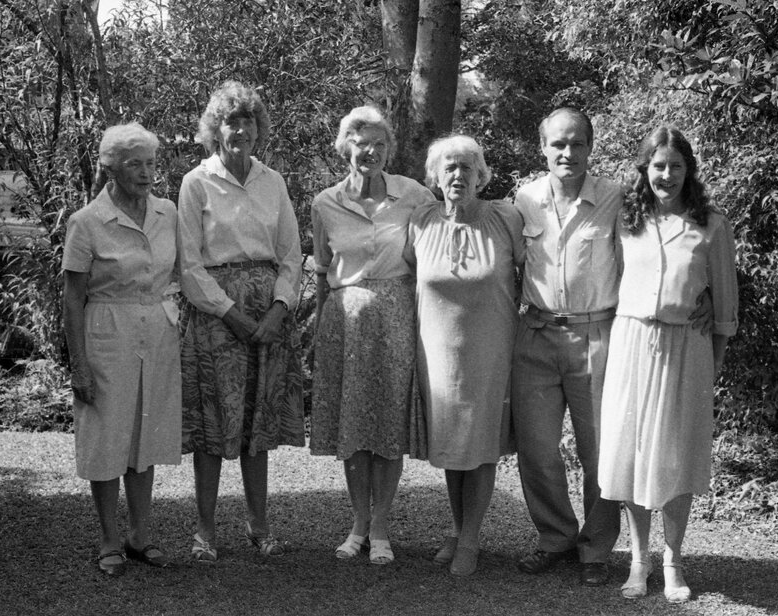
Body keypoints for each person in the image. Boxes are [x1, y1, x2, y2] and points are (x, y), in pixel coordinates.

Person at [597, 126, 738, 603]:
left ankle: (673, 560)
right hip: (632, 343)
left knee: (678, 453)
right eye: (658, 165)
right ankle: (639, 560)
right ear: (645, 169)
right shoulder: (625, 219)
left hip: (687, 347)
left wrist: (712, 364)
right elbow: (610, 278)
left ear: (688, 170)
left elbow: (725, 303)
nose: (667, 175)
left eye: (676, 166)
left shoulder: (711, 223)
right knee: (633, 453)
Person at [178, 81, 304, 562]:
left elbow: (291, 255)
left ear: (258, 128)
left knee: (258, 423)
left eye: (247, 120)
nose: (240, 130)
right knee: (212, 426)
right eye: (231, 121)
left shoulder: (273, 181)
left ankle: (259, 524)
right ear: (215, 129)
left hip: (269, 316)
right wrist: (229, 312)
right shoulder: (197, 182)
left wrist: (279, 308)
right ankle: (205, 530)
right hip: (216, 317)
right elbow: (189, 265)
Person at [309, 106, 433, 565]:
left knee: (387, 423)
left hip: (396, 316)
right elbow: (323, 269)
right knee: (354, 425)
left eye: (380, 144)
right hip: (345, 321)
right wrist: (320, 328)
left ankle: (381, 526)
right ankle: (359, 523)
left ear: (389, 149)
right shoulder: (325, 203)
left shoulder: (414, 195)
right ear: (346, 148)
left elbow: (432, 251)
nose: (371, 152)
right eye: (362, 144)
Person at [510, 108, 624, 584]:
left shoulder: (614, 197)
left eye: (577, 143)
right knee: (537, 449)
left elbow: (645, 256)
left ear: (590, 147)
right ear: (542, 147)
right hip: (536, 335)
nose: (568, 152)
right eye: (558, 143)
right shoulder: (524, 200)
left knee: (600, 451)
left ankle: (596, 548)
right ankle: (555, 537)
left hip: (596, 335)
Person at [62, 122, 181, 576]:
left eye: (151, 163)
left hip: (158, 333)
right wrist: (78, 365)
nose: (147, 173)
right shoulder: (86, 221)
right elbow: (72, 297)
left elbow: (182, 273)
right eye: (135, 164)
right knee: (107, 437)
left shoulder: (167, 212)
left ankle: (140, 535)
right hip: (107, 334)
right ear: (111, 169)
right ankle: (109, 539)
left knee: (145, 433)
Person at [405, 134, 525, 576]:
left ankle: (471, 537)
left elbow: (534, 274)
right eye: (449, 168)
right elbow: (407, 273)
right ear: (436, 177)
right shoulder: (421, 221)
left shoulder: (505, 217)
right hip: (437, 352)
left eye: (466, 167)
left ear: (480, 175)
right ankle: (457, 529)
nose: (458, 175)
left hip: (489, 350)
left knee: (480, 443)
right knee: (451, 441)